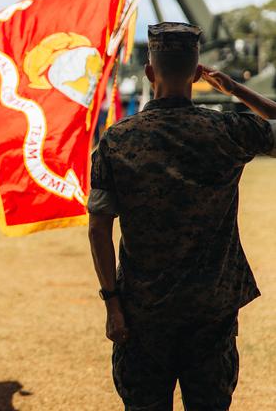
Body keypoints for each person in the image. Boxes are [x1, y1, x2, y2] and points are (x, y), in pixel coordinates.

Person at [87, 23, 276, 411]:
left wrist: (112, 305)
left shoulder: (119, 140)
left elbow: (98, 229)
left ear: (149, 72)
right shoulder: (227, 130)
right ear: (195, 74)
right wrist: (236, 90)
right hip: (212, 312)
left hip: (142, 314)